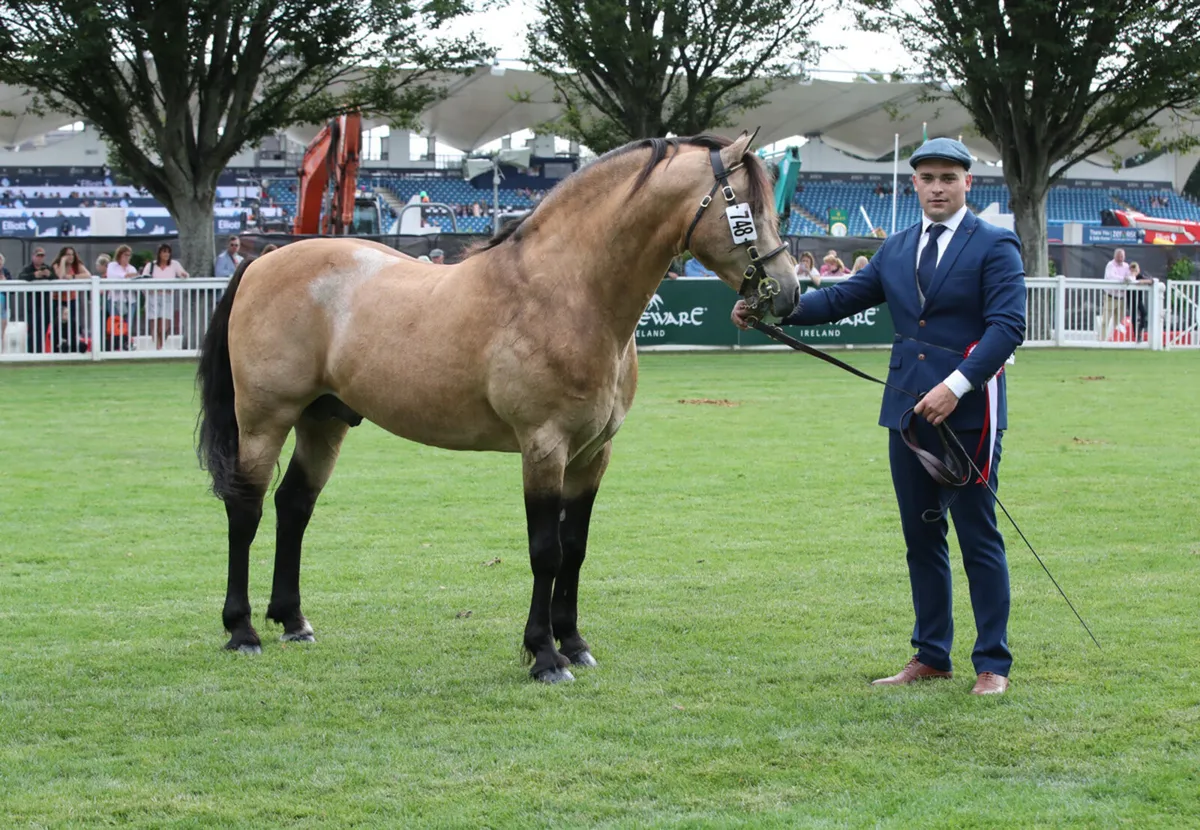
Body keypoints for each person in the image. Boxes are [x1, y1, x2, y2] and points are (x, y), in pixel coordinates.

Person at [732, 137, 1026, 696]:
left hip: (968, 416)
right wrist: (768, 306)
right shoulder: (896, 247)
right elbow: (834, 302)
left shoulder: (995, 244)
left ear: (969, 183)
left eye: (948, 177)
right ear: (914, 184)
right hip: (907, 415)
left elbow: (1007, 328)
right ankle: (931, 655)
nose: (937, 187)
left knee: (978, 538)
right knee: (922, 539)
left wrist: (956, 387)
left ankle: (993, 664)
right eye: (927, 178)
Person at [142, 243, 189, 350]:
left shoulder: (174, 264)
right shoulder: (151, 265)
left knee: (165, 325)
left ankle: (160, 344)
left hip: (167, 297)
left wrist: (184, 275)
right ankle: (158, 348)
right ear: (159, 253)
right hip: (153, 296)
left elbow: (183, 273)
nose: (166, 254)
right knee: (154, 323)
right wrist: (147, 293)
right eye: (164, 251)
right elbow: (143, 279)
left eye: (168, 252)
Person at [50, 246, 91, 352]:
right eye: (68, 254)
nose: (71, 257)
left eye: (72, 254)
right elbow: (61, 276)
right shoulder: (56, 265)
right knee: (58, 324)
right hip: (58, 299)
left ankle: (72, 346)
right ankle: (57, 346)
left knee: (72, 323)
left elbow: (88, 275)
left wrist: (73, 277)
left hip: (71, 298)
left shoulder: (77, 265)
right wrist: (63, 261)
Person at [17, 247, 55, 353]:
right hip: (32, 304)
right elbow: (20, 277)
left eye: (42, 256)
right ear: (33, 256)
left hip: (45, 303)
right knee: (33, 329)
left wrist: (50, 275)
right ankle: (31, 352)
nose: (40, 258)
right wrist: (34, 275)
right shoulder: (28, 268)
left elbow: (56, 278)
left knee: (43, 329)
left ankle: (40, 351)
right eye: (38, 256)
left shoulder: (47, 268)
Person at [105, 245, 139, 349]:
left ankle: (126, 344)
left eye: (129, 255)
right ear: (120, 255)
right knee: (116, 324)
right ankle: (116, 345)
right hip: (116, 299)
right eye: (125, 255)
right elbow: (111, 276)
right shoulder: (112, 265)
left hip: (130, 300)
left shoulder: (131, 268)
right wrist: (126, 276)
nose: (127, 258)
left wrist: (131, 276)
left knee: (127, 324)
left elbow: (135, 279)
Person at [1102, 249, 1132, 341]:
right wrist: (1123, 279)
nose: (1120, 258)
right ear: (1114, 256)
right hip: (1110, 296)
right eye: (1118, 256)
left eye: (1122, 256)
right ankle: (1102, 340)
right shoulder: (1110, 265)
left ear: (1124, 257)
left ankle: (1115, 339)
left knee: (1119, 321)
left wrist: (1128, 278)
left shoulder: (1127, 266)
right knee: (1105, 320)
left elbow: (1130, 277)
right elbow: (1111, 277)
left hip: (1122, 298)